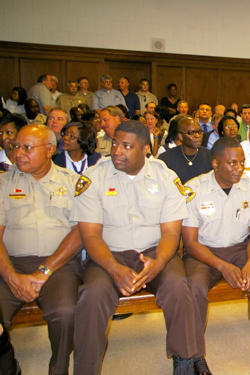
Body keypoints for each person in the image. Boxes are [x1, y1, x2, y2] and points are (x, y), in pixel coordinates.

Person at [71, 120, 203, 374]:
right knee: (92, 295)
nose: (117, 151)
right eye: (115, 143)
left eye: (126, 146)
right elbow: (90, 235)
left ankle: (184, 360)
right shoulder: (94, 177)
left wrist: (159, 263)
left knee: (179, 287)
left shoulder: (165, 177)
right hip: (109, 254)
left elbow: (171, 233)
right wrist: (114, 268)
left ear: (145, 150)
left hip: (155, 249)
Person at [182, 137, 250, 375]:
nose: (239, 168)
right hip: (204, 253)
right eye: (232, 163)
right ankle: (196, 356)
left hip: (241, 250)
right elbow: (190, 243)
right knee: (194, 287)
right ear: (215, 163)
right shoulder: (194, 189)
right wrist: (222, 267)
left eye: (241, 162)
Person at [0, 124, 83, 375]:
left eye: (27, 148)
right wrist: (12, 277)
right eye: (16, 147)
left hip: (59, 266)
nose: (18, 154)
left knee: (65, 312)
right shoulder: (3, 183)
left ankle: (58, 368)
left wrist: (45, 270)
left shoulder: (72, 183)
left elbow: (81, 232)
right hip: (10, 264)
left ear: (49, 150)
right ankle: (7, 364)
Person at [158, 117, 212, 183]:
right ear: (181, 136)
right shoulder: (166, 159)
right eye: (191, 133)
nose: (197, 136)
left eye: (199, 132)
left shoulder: (210, 156)